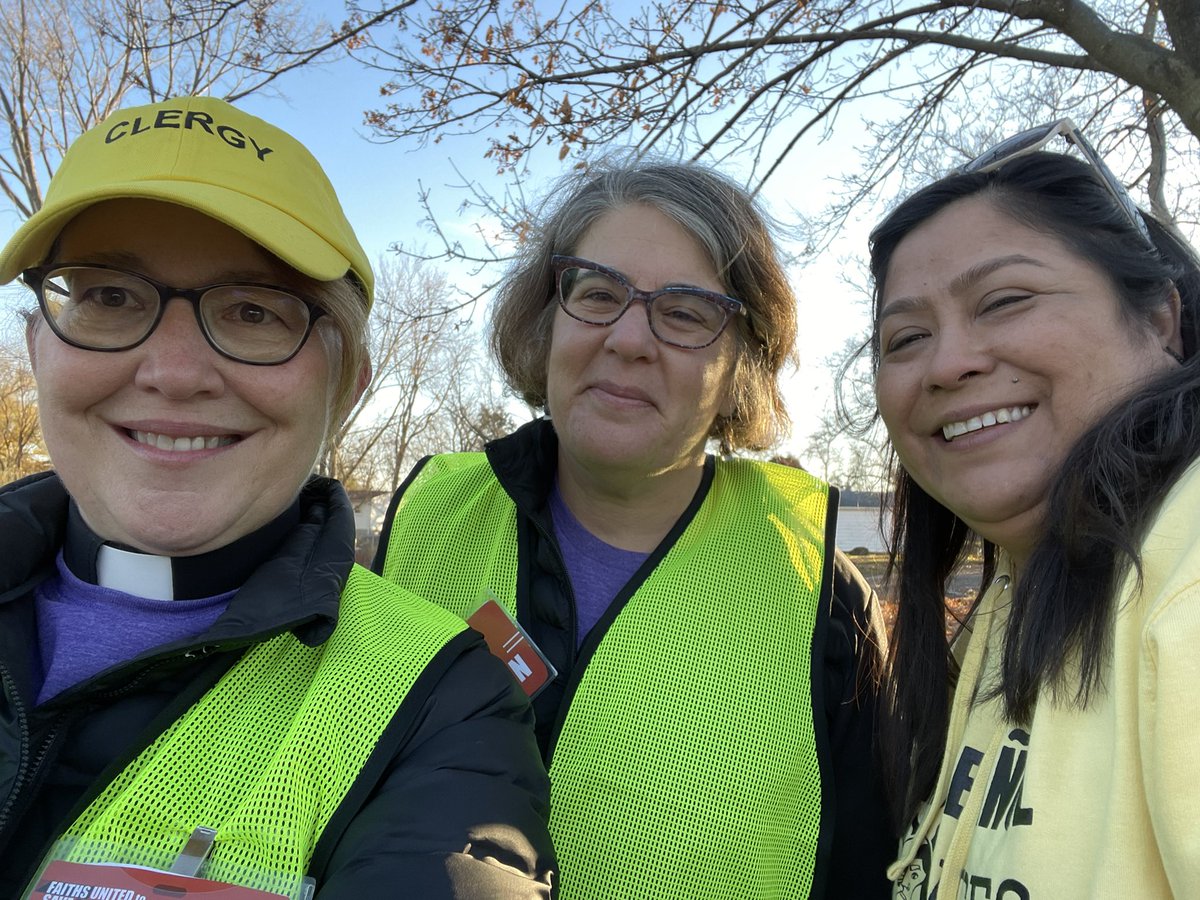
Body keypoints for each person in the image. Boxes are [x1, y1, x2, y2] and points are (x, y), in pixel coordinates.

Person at [0, 95, 555, 898]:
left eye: (254, 311)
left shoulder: (444, 702)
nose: (174, 373)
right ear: (38, 349)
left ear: (346, 388)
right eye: (110, 297)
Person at [372, 159, 892, 898]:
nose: (628, 337)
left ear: (743, 360)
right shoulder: (424, 522)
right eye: (599, 294)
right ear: (547, 320)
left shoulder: (820, 599)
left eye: (683, 313)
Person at [869, 120, 1200, 898]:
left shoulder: (1184, 578)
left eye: (1006, 299)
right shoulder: (1012, 594)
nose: (949, 363)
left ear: (1160, 317)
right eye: (906, 337)